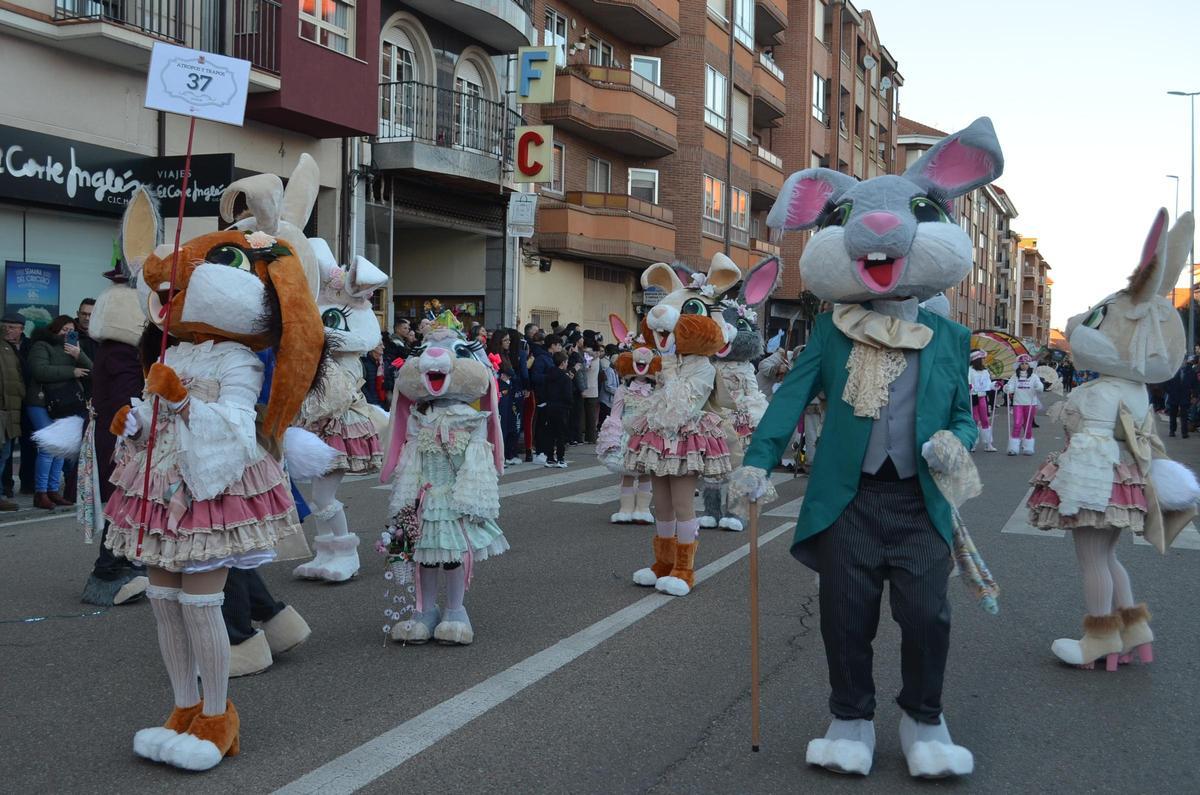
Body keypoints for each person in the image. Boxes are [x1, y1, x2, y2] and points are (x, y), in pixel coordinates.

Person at [733, 119, 1003, 778]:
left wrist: (953, 441)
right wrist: (758, 459)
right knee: (845, 616)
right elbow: (791, 400)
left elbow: (966, 416)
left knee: (928, 615)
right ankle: (849, 716)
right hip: (848, 499)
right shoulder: (832, 331)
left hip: (919, 500)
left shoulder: (947, 336)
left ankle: (924, 718)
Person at [26, 314, 90, 509]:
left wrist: (79, 355)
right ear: (55, 329)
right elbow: (40, 371)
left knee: (61, 447)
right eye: (64, 330)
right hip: (40, 401)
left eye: (71, 331)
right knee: (48, 447)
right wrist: (71, 371)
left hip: (64, 403)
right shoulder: (41, 345)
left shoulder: (73, 349)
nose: (67, 334)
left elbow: (91, 370)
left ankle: (53, 491)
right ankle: (41, 493)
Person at [0, 314, 24, 510]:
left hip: (10, 410)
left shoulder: (10, 349)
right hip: (3, 410)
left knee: (5, 453)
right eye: (5, 326)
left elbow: (16, 378)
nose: (8, 330)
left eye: (12, 327)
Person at [1004, 355, 1044, 455]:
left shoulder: (1034, 376)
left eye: (1026, 363)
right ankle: (1013, 448)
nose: (1024, 365)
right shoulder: (1014, 376)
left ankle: (1028, 447)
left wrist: (1038, 386)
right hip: (1018, 403)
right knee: (1017, 424)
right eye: (1022, 363)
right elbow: (1010, 387)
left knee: (1028, 425)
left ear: (1030, 365)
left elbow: (1040, 388)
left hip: (1030, 404)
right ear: (1019, 365)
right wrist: (1007, 388)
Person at [540, 352, 573, 467]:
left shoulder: (548, 376)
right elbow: (568, 396)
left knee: (550, 433)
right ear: (563, 363)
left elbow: (543, 391)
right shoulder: (565, 378)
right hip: (561, 408)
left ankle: (549, 458)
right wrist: (569, 404)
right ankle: (560, 458)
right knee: (560, 434)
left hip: (549, 406)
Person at [968, 351, 997, 452]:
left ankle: (988, 444)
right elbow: (968, 381)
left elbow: (989, 384)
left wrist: (995, 385)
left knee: (985, 419)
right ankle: (973, 443)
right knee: (975, 419)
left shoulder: (985, 371)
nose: (984, 360)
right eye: (982, 359)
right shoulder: (970, 370)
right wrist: (969, 386)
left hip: (983, 396)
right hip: (973, 396)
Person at [579, 331, 602, 444]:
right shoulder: (597, 353)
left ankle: (581, 437)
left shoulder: (587, 353)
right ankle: (591, 437)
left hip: (585, 386)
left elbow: (586, 368)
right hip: (594, 387)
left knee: (583, 414)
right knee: (592, 415)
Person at [1165, 357, 1195, 438]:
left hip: (1185, 396)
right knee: (1173, 415)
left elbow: (1194, 384)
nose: (1182, 362)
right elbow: (1166, 382)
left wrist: (1194, 396)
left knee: (1184, 415)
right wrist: (1169, 391)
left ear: (1186, 362)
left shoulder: (1190, 371)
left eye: (1183, 361)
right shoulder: (1172, 371)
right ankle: (1172, 430)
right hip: (1174, 395)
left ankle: (1184, 433)